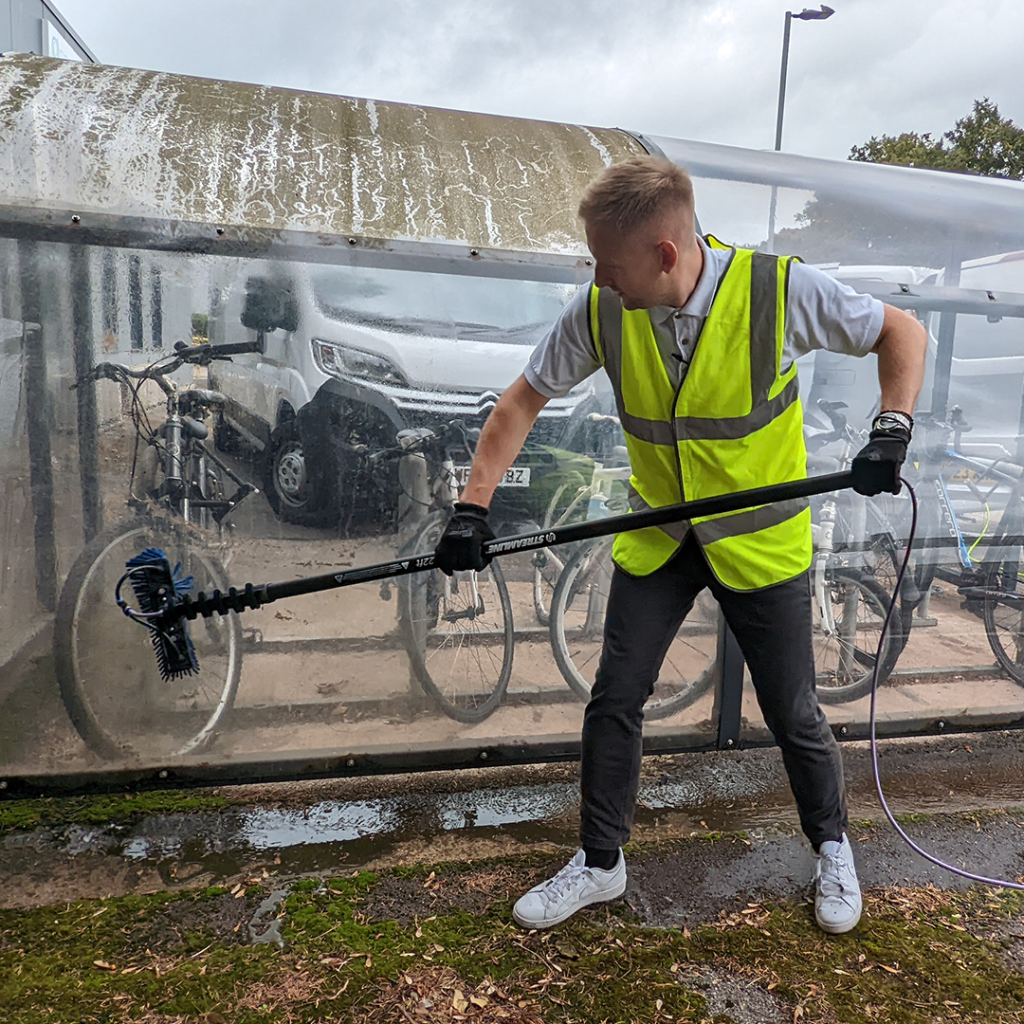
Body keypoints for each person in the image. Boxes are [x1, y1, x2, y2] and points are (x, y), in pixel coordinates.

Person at [433, 156, 927, 935]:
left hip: (760, 543)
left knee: (792, 709)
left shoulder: (777, 291)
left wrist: (890, 428)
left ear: (665, 254)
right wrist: (472, 509)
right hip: (662, 535)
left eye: (610, 263)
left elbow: (902, 331)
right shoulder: (602, 310)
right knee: (615, 696)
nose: (600, 278)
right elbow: (522, 400)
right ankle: (601, 862)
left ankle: (832, 848)